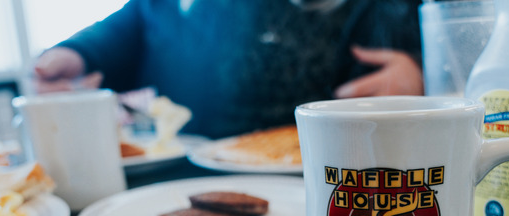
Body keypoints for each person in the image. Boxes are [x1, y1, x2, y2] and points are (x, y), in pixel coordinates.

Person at [33, 0, 424, 139]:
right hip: (193, 171)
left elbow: (465, 51)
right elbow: (138, 22)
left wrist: (424, 76)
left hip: (331, 176)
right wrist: (76, 52)